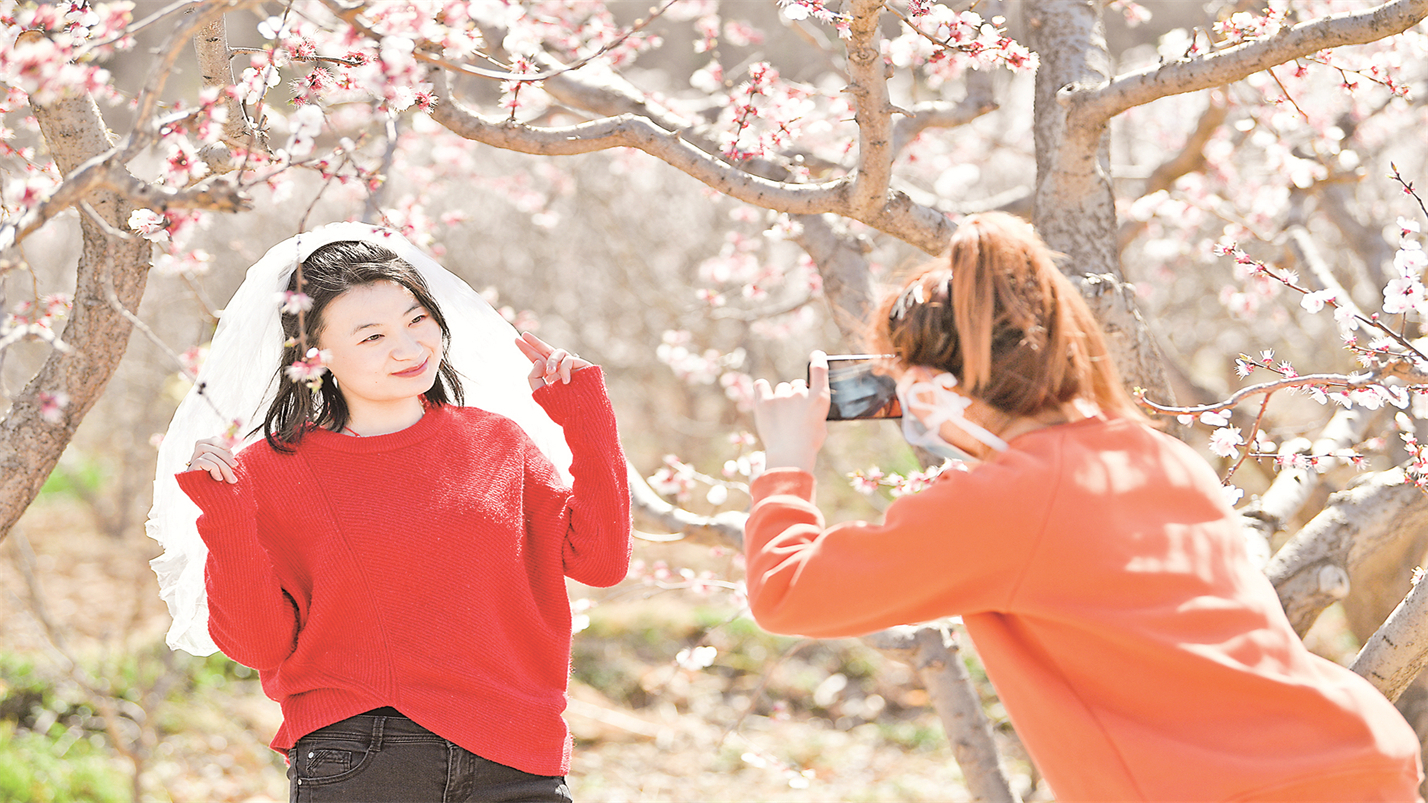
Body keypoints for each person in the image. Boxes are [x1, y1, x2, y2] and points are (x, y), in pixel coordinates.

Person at [745, 212, 1425, 802]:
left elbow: (787, 593)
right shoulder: (1159, 455)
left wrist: (786, 463)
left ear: (932, 389)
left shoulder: (1002, 502)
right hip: (1357, 754)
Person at [148, 223, 630, 802]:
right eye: (372, 337)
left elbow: (600, 562)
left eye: (417, 319)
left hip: (520, 752)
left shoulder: (497, 443)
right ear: (314, 356)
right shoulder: (268, 471)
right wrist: (225, 515)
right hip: (365, 754)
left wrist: (586, 417)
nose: (408, 348)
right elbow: (258, 645)